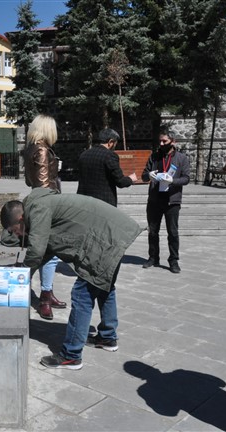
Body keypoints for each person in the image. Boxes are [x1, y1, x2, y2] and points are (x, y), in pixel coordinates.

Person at [0, 189, 143, 369]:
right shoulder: (38, 208)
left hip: (104, 240)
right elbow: (45, 250)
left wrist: (20, 275)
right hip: (112, 233)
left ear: (20, 219)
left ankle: (71, 355)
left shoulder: (37, 209)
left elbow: (36, 251)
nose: (19, 236)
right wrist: (21, 271)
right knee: (105, 289)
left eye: (16, 232)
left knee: (81, 294)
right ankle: (107, 337)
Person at [76, 128, 137, 352]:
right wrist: (130, 179)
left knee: (100, 277)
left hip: (85, 213)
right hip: (105, 216)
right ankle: (108, 333)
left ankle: (108, 334)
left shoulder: (84, 155)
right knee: (105, 281)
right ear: (111, 142)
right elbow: (119, 181)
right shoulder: (110, 156)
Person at [21, 114, 66, 320]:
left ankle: (47, 293)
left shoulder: (31, 148)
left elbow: (30, 180)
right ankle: (44, 298)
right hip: (47, 203)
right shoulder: (41, 150)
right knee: (49, 252)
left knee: (47, 250)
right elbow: (43, 182)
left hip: (38, 200)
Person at [140, 127, 190, 273]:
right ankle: (153, 257)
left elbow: (186, 178)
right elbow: (144, 175)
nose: (161, 144)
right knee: (153, 231)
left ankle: (173, 260)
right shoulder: (154, 157)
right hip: (155, 200)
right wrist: (148, 176)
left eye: (165, 141)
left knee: (173, 232)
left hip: (172, 201)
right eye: (160, 141)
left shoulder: (181, 158)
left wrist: (172, 180)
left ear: (173, 142)